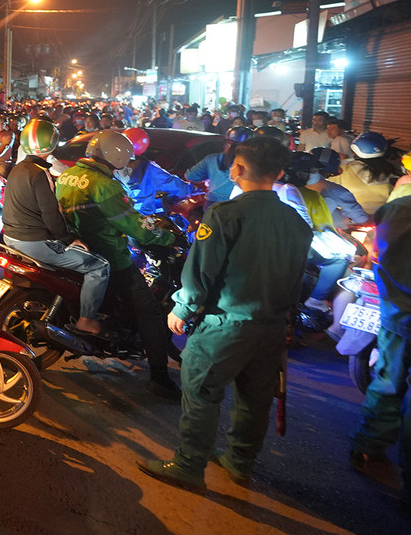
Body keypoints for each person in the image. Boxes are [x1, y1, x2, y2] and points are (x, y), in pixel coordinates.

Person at [139, 136, 312, 489]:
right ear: (278, 173)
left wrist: (182, 309)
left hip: (224, 326)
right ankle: (239, 461)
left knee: (202, 394)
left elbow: (201, 271)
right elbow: (299, 277)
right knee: (254, 399)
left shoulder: (224, 215)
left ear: (237, 169)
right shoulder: (296, 221)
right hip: (272, 327)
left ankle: (189, 465)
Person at [57, 130, 181, 398]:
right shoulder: (105, 185)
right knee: (151, 312)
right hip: (110, 255)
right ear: (117, 155)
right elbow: (134, 224)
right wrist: (165, 237)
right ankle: (159, 378)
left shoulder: (68, 175)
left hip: (77, 249)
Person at [2, 119, 112, 337]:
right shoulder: (39, 173)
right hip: (35, 242)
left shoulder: (18, 169)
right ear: (52, 143)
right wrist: (69, 238)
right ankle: (86, 319)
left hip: (12, 238)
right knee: (99, 266)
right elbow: (52, 215)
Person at [349, 187, 411, 516]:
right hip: (395, 312)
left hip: (394, 313)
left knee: (387, 380)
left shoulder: (396, 208)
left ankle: (367, 446)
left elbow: (376, 253)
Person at [120, 127, 197, 217]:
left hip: (118, 216)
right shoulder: (148, 167)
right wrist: (191, 189)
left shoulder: (112, 164)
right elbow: (170, 183)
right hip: (142, 217)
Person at [330, 132, 402, 217]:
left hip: (350, 218)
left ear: (355, 151)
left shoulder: (341, 169)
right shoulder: (395, 168)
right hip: (384, 218)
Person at [186, 125, 253, 207]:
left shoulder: (211, 159)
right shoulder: (251, 163)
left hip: (212, 204)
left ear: (226, 142)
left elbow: (190, 176)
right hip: (237, 205)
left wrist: (209, 177)